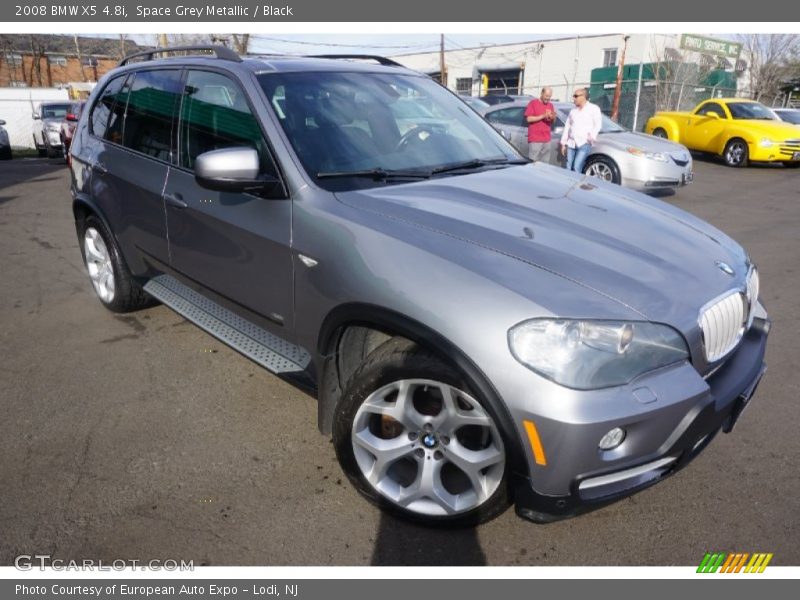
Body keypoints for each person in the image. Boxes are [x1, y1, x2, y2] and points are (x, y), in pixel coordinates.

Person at [559, 87, 601, 173]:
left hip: (584, 143)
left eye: (576, 96)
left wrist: (591, 138)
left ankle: (576, 185)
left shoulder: (593, 108)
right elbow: (567, 126)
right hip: (571, 143)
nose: (574, 98)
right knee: (568, 166)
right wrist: (563, 143)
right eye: (573, 96)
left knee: (577, 166)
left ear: (583, 96)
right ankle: (568, 185)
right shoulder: (573, 111)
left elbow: (598, 125)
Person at [524, 87, 556, 163]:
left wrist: (553, 117)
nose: (548, 98)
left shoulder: (550, 105)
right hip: (535, 139)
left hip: (547, 139)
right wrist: (543, 116)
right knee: (533, 163)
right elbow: (528, 119)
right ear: (541, 93)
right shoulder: (533, 103)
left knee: (545, 164)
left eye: (549, 97)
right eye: (546, 96)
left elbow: (553, 122)